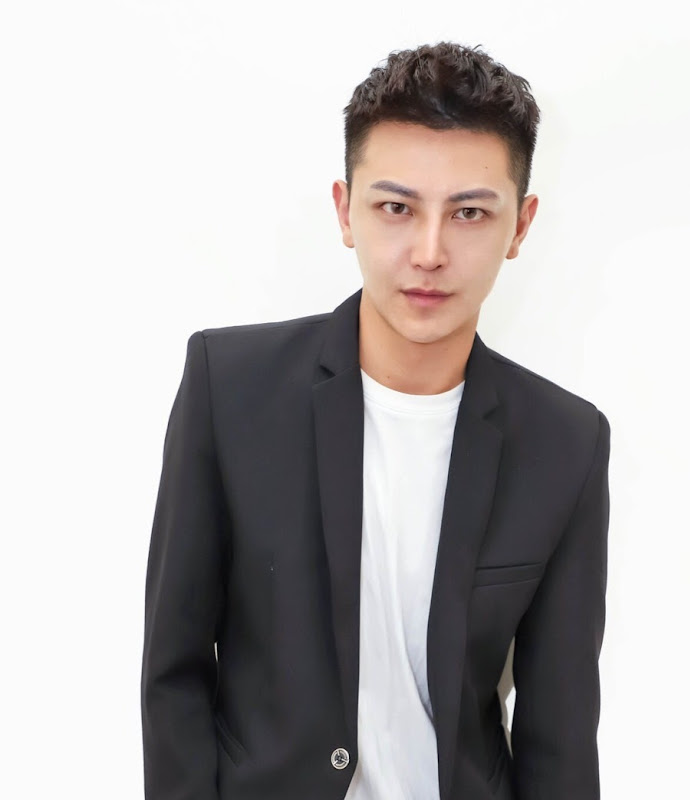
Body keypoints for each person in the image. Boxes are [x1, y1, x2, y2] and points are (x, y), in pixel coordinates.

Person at [141, 41, 611, 800]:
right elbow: (175, 675)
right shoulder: (229, 389)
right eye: (397, 207)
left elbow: (559, 738)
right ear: (345, 210)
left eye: (469, 213)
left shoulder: (566, 442)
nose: (429, 252)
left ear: (520, 227)